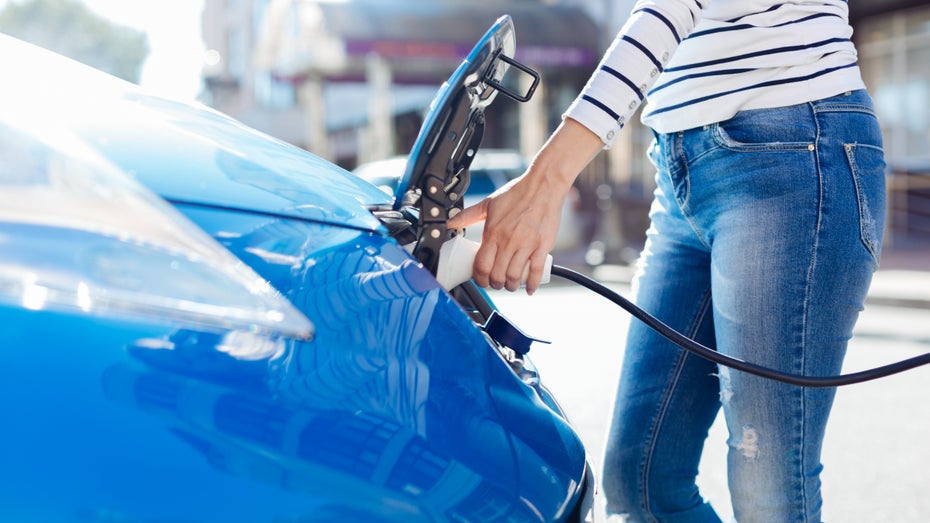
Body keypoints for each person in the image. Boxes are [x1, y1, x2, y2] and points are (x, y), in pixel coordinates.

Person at [447, 1, 886, 522]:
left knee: (768, 488)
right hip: (680, 167)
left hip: (792, 149)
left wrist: (546, 181)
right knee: (643, 487)